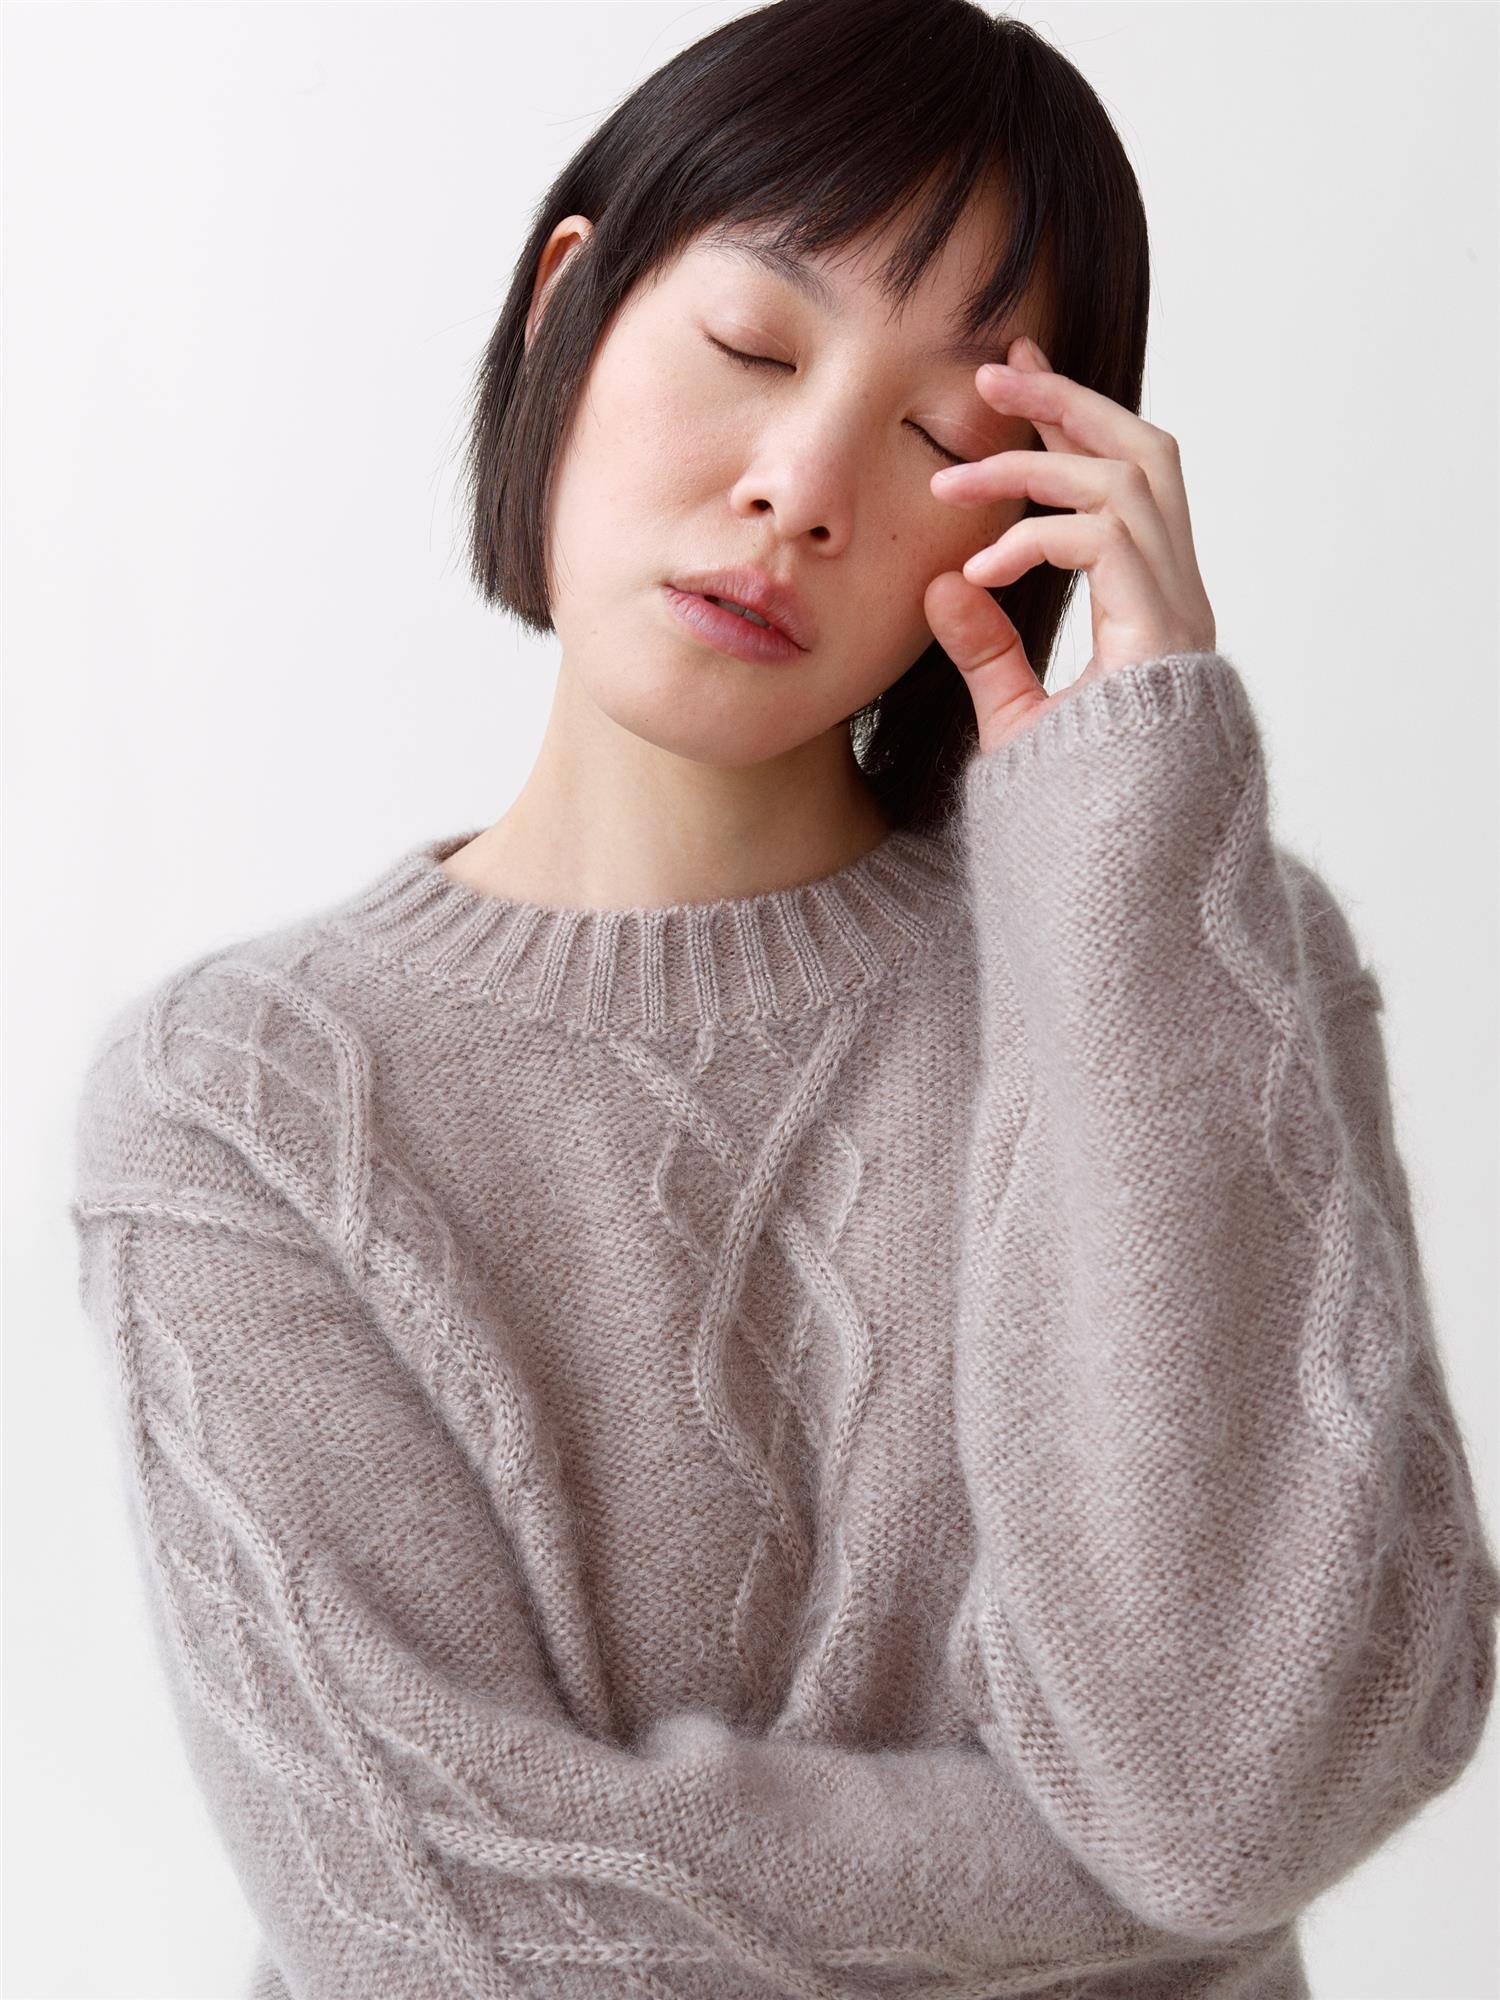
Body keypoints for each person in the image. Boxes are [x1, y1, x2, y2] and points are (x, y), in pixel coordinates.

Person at [68, 2, 1499, 1996]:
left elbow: (1255, 1790)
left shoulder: (1190, 959)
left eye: (943, 438)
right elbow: (440, 1931)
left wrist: (1141, 851)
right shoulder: (246, 1103)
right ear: (567, 308)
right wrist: (1133, 1897)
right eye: (752, 345)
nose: (803, 485)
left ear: (1036, 509)